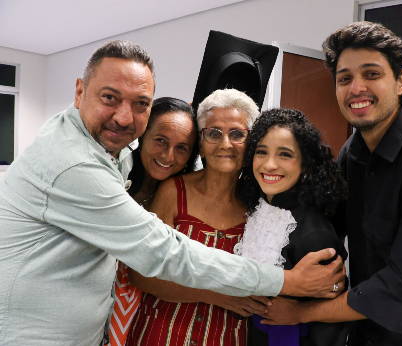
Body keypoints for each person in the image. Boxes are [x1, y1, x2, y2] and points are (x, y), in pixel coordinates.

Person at [0, 40, 346, 346]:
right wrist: (284, 282)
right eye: (110, 97)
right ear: (79, 92)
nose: (124, 116)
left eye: (140, 103)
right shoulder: (76, 166)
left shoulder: (265, 208)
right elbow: (161, 254)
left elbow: (330, 286)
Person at [260, 21, 402, 346]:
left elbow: (398, 287)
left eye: (372, 74)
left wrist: (300, 312)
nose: (356, 88)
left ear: (401, 81)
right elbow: (323, 225)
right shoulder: (355, 151)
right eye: (344, 78)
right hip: (364, 336)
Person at [126, 89, 267, 346]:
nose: (225, 144)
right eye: (214, 134)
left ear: (251, 142)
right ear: (201, 144)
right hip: (160, 336)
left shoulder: (259, 207)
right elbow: (141, 275)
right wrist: (215, 295)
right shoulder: (174, 191)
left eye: (237, 134)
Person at [235, 108, 350, 346]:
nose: (270, 164)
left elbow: (330, 329)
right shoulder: (257, 208)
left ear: (306, 164)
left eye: (285, 155)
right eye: (261, 152)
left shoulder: (314, 233)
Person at [108, 97, 199, 346]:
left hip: (144, 318)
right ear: (142, 137)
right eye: (161, 140)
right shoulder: (112, 181)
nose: (169, 156)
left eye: (182, 147)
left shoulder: (184, 200)